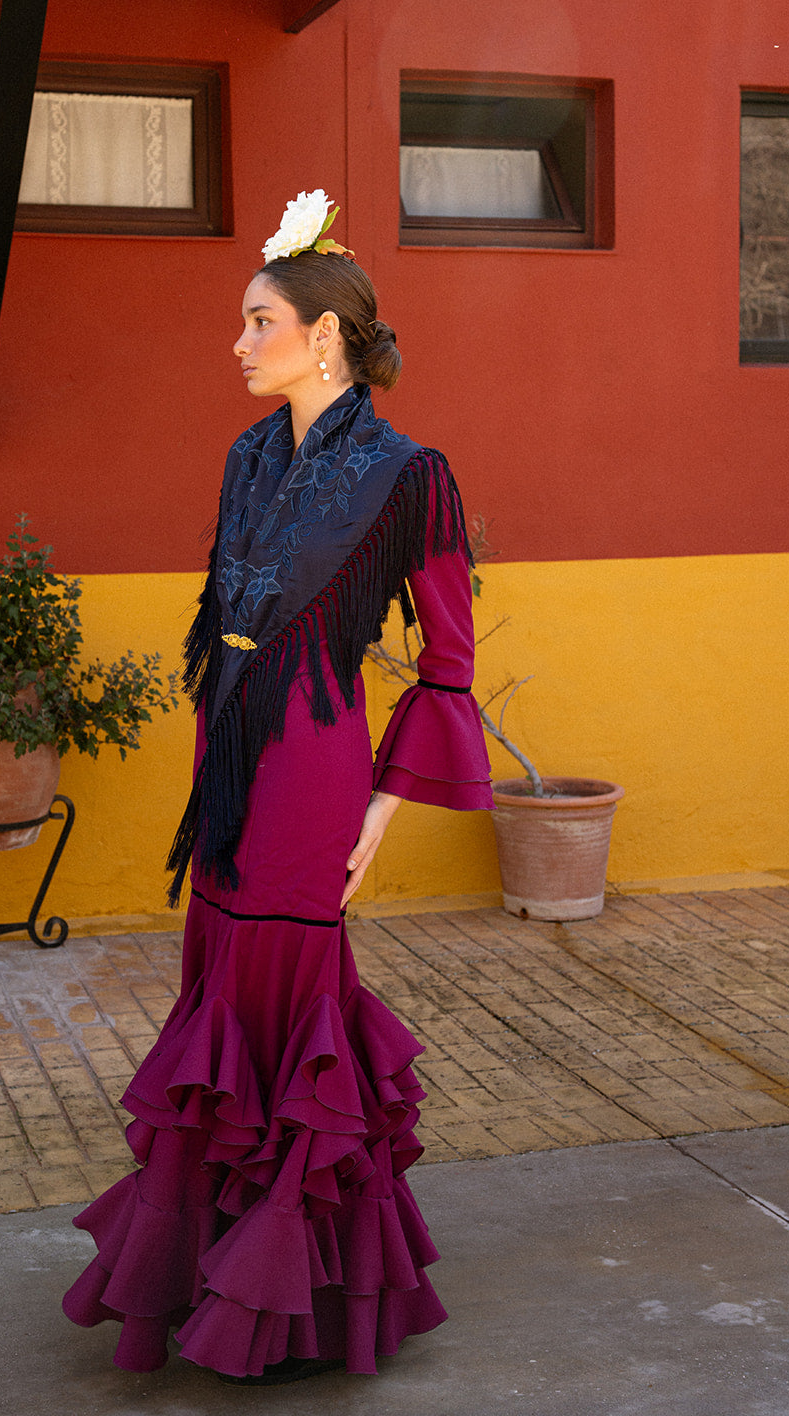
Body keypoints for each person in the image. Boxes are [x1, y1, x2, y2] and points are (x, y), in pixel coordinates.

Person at [62, 191, 493, 1384]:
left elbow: (448, 661)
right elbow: (225, 617)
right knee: (218, 986)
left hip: (315, 765)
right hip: (227, 752)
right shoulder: (247, 456)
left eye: (259, 321)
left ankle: (294, 1301)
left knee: (286, 995)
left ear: (325, 337)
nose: (239, 343)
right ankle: (208, 1269)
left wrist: (379, 809)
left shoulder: (409, 475)